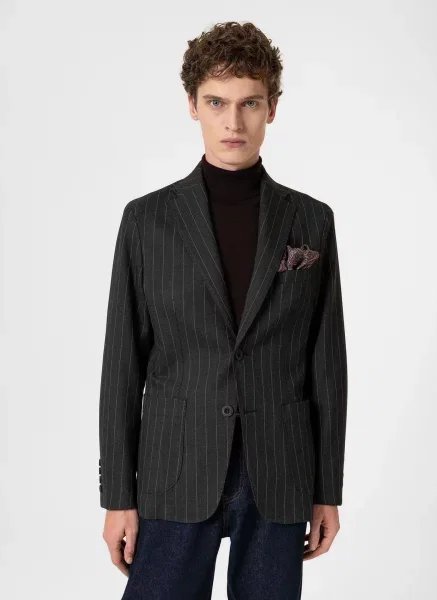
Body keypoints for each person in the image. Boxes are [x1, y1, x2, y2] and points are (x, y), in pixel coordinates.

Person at [98, 20, 348, 600]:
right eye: (216, 102)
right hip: (174, 472)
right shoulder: (147, 221)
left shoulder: (312, 221)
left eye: (249, 103)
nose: (233, 122)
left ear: (272, 107)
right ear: (193, 105)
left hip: (280, 474)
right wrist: (117, 497)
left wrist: (327, 489)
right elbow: (122, 367)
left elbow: (327, 366)